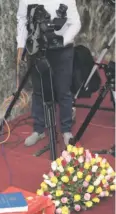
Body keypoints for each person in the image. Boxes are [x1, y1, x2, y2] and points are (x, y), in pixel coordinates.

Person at [16, 0, 81, 146]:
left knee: (63, 91)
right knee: (38, 91)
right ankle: (38, 130)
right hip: (37, 49)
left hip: (62, 49)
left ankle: (66, 130)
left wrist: (62, 40)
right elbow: (21, 19)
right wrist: (20, 43)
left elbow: (75, 23)